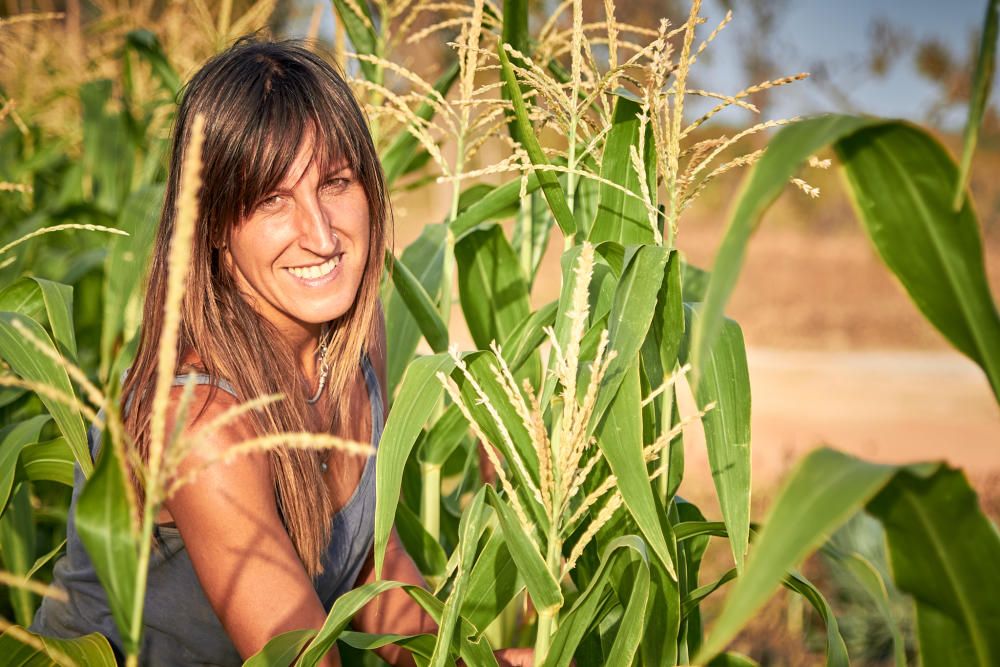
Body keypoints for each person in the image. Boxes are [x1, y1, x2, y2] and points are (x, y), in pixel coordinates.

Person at [30, 36, 532, 666]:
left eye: (336, 183)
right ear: (211, 223)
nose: (320, 236)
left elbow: (369, 560)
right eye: (271, 200)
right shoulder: (205, 422)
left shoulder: (349, 333)